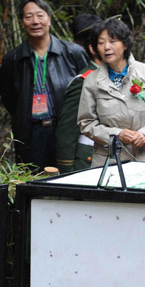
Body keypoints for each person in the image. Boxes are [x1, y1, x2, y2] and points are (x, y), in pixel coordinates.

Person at [0, 0, 88, 170]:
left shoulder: (72, 53)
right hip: (31, 134)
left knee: (68, 180)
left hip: (66, 131)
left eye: (40, 15)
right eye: (29, 16)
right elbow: (8, 98)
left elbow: (88, 90)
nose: (35, 21)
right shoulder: (13, 59)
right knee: (33, 183)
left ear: (49, 18)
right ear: (22, 22)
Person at [77, 18, 145, 167]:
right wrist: (116, 135)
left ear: (125, 44)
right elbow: (86, 123)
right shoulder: (91, 81)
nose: (107, 47)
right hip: (108, 160)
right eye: (101, 43)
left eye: (112, 41)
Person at [56, 14, 102, 174]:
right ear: (93, 48)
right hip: (86, 160)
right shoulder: (83, 81)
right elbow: (67, 132)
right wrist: (66, 169)